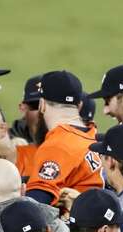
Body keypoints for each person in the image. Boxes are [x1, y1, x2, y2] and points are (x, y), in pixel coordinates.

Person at [24, 71, 103, 206]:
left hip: (77, 225)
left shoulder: (57, 145)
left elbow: (35, 205)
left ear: (42, 105)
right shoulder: (93, 135)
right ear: (79, 106)